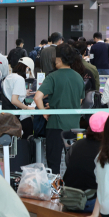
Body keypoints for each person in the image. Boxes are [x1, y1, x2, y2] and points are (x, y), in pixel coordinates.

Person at [34, 43, 85, 174]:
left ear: (59, 59)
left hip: (56, 125)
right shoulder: (78, 77)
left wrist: (44, 112)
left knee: (53, 163)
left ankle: (55, 191)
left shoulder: (53, 77)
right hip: (74, 126)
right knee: (74, 161)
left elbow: (37, 97)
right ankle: (71, 189)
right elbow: (79, 101)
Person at [62, 112, 109, 211]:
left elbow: (68, 163)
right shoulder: (107, 149)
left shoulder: (77, 145)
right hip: (89, 201)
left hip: (69, 198)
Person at [0, 59, 35, 139]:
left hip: (8, 114)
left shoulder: (9, 76)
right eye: (29, 72)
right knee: (27, 137)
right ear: (27, 68)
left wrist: (24, 92)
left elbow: (9, 93)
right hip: (17, 116)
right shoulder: (19, 79)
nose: (29, 74)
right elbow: (14, 100)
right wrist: (28, 108)